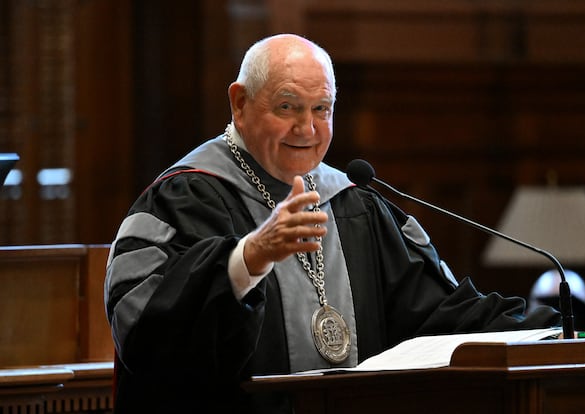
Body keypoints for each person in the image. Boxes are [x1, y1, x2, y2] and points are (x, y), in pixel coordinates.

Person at [104, 33, 560, 413]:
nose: (307, 128)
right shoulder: (183, 198)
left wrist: (563, 329)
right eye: (287, 107)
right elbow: (145, 332)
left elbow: (444, 313)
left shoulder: (353, 204)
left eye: (321, 109)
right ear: (239, 103)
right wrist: (247, 259)